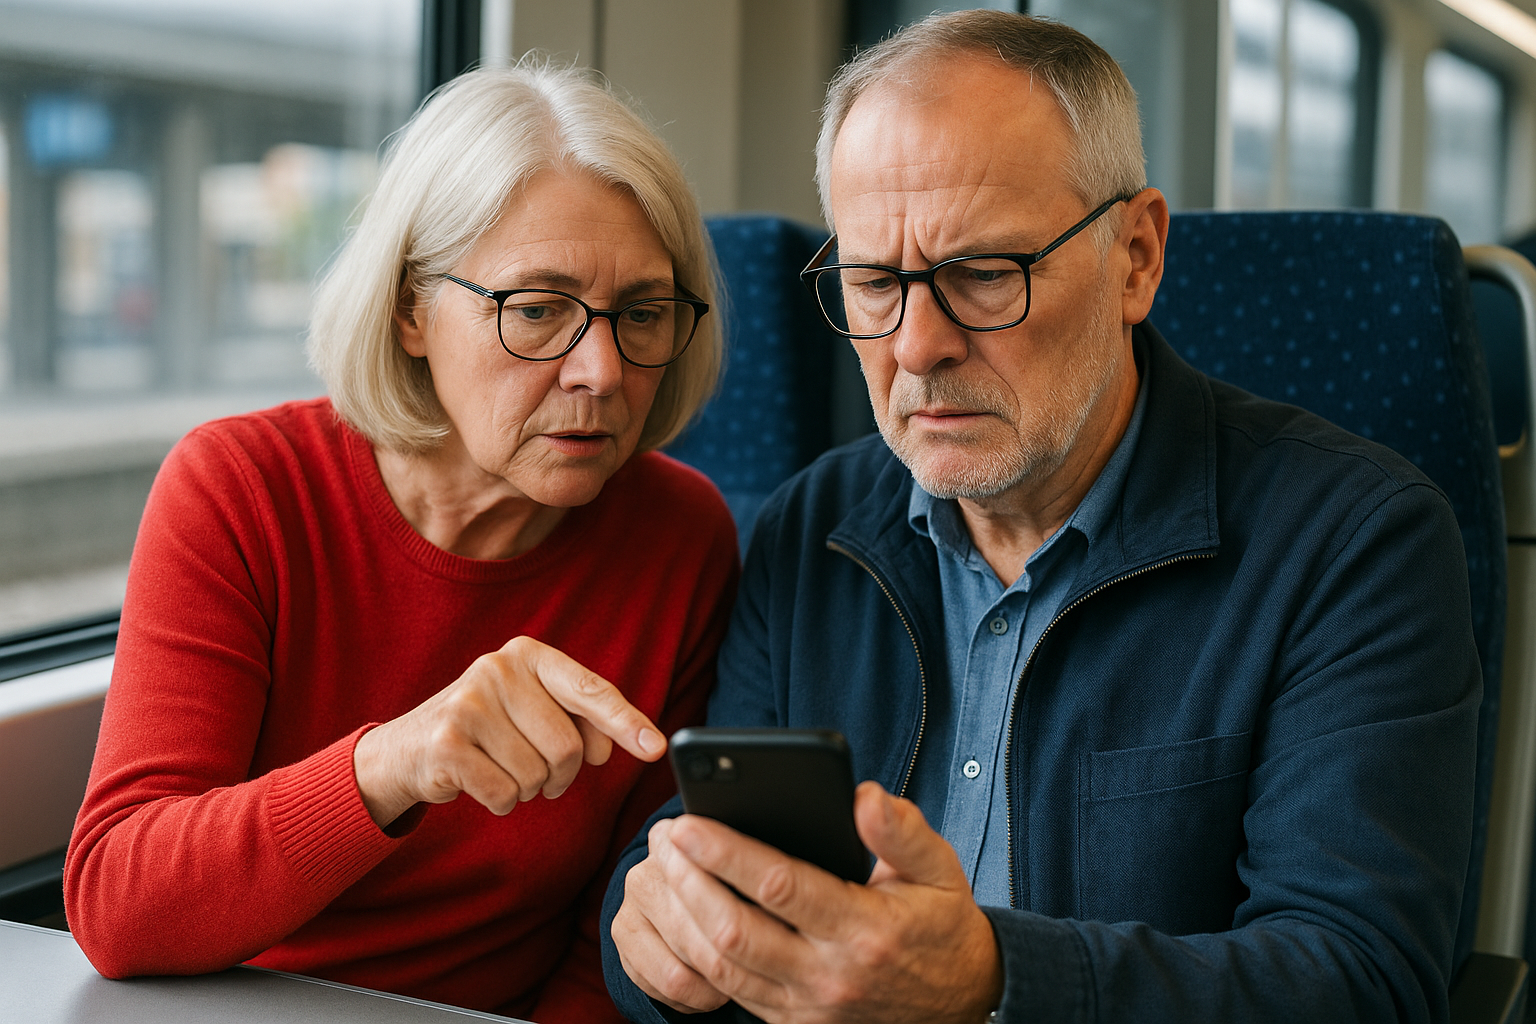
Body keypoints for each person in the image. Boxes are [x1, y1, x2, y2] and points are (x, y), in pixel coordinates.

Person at [602, 11, 1478, 1024]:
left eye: (984, 275)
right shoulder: (812, 526)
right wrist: (657, 940)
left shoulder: (1354, 543)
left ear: (1136, 258)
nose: (916, 346)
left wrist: (994, 979)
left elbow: (1360, 980)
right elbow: (689, 862)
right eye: (875, 282)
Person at [64, 64, 739, 1024]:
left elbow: (616, 938)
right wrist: (394, 763)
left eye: (641, 314)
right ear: (411, 309)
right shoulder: (242, 489)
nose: (600, 370)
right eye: (537, 310)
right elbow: (118, 903)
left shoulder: (682, 536)